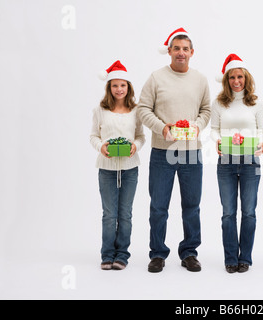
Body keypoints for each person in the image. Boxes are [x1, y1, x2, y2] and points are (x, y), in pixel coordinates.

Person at [137, 28, 211, 273]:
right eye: (176, 48)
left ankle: (189, 252)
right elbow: (143, 109)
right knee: (159, 205)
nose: (181, 52)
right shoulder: (156, 78)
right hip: (162, 151)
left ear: (192, 52)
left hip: (191, 151)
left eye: (185, 49)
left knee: (192, 205)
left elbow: (206, 110)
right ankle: (157, 253)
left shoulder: (200, 80)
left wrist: (198, 127)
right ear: (169, 51)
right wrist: (162, 128)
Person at [211, 54, 263, 273]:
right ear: (226, 80)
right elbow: (214, 129)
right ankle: (230, 258)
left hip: (250, 161)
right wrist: (217, 141)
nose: (236, 81)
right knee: (228, 212)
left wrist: (261, 145)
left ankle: (245, 258)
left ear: (246, 78)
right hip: (226, 161)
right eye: (232, 77)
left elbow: (262, 131)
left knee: (249, 212)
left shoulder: (255, 103)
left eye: (240, 77)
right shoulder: (219, 103)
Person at [90, 60, 146, 270]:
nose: (119, 89)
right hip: (106, 167)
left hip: (130, 167)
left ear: (128, 87)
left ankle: (122, 255)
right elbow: (93, 135)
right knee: (109, 213)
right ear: (109, 88)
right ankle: (107, 254)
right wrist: (101, 146)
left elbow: (140, 136)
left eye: (123, 85)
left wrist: (135, 146)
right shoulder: (100, 110)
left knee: (125, 213)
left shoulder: (136, 110)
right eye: (115, 85)